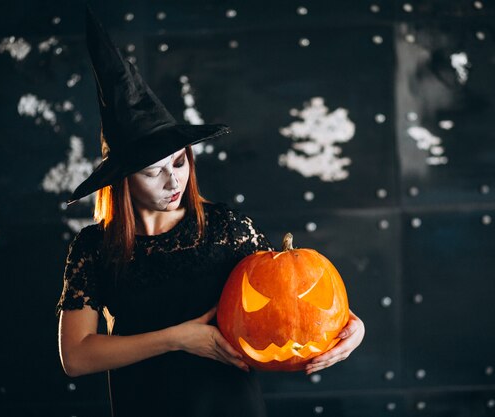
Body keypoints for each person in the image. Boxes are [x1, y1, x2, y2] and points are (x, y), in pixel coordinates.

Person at [56, 6, 365, 417]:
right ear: (123, 179)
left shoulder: (227, 228)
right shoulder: (94, 246)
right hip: (145, 406)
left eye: (179, 163)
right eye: (153, 172)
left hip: (230, 406)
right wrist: (178, 338)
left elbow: (292, 299)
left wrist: (354, 328)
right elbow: (76, 356)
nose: (173, 182)